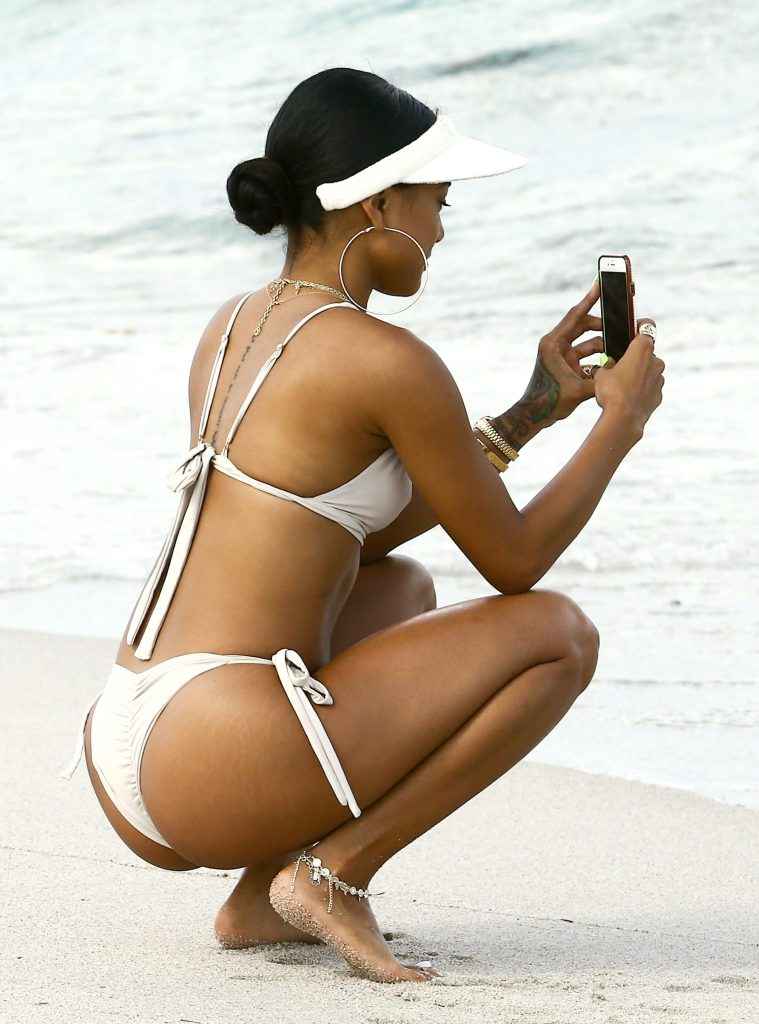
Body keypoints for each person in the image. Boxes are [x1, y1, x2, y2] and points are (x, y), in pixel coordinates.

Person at [57, 67, 664, 984]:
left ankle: (260, 895)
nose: (441, 230)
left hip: (137, 733)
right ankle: (333, 873)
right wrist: (621, 423)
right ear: (377, 204)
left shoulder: (236, 324)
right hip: (214, 754)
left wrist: (534, 411)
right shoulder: (387, 358)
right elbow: (515, 564)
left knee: (400, 588)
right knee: (558, 636)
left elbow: (338, 534)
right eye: (435, 204)